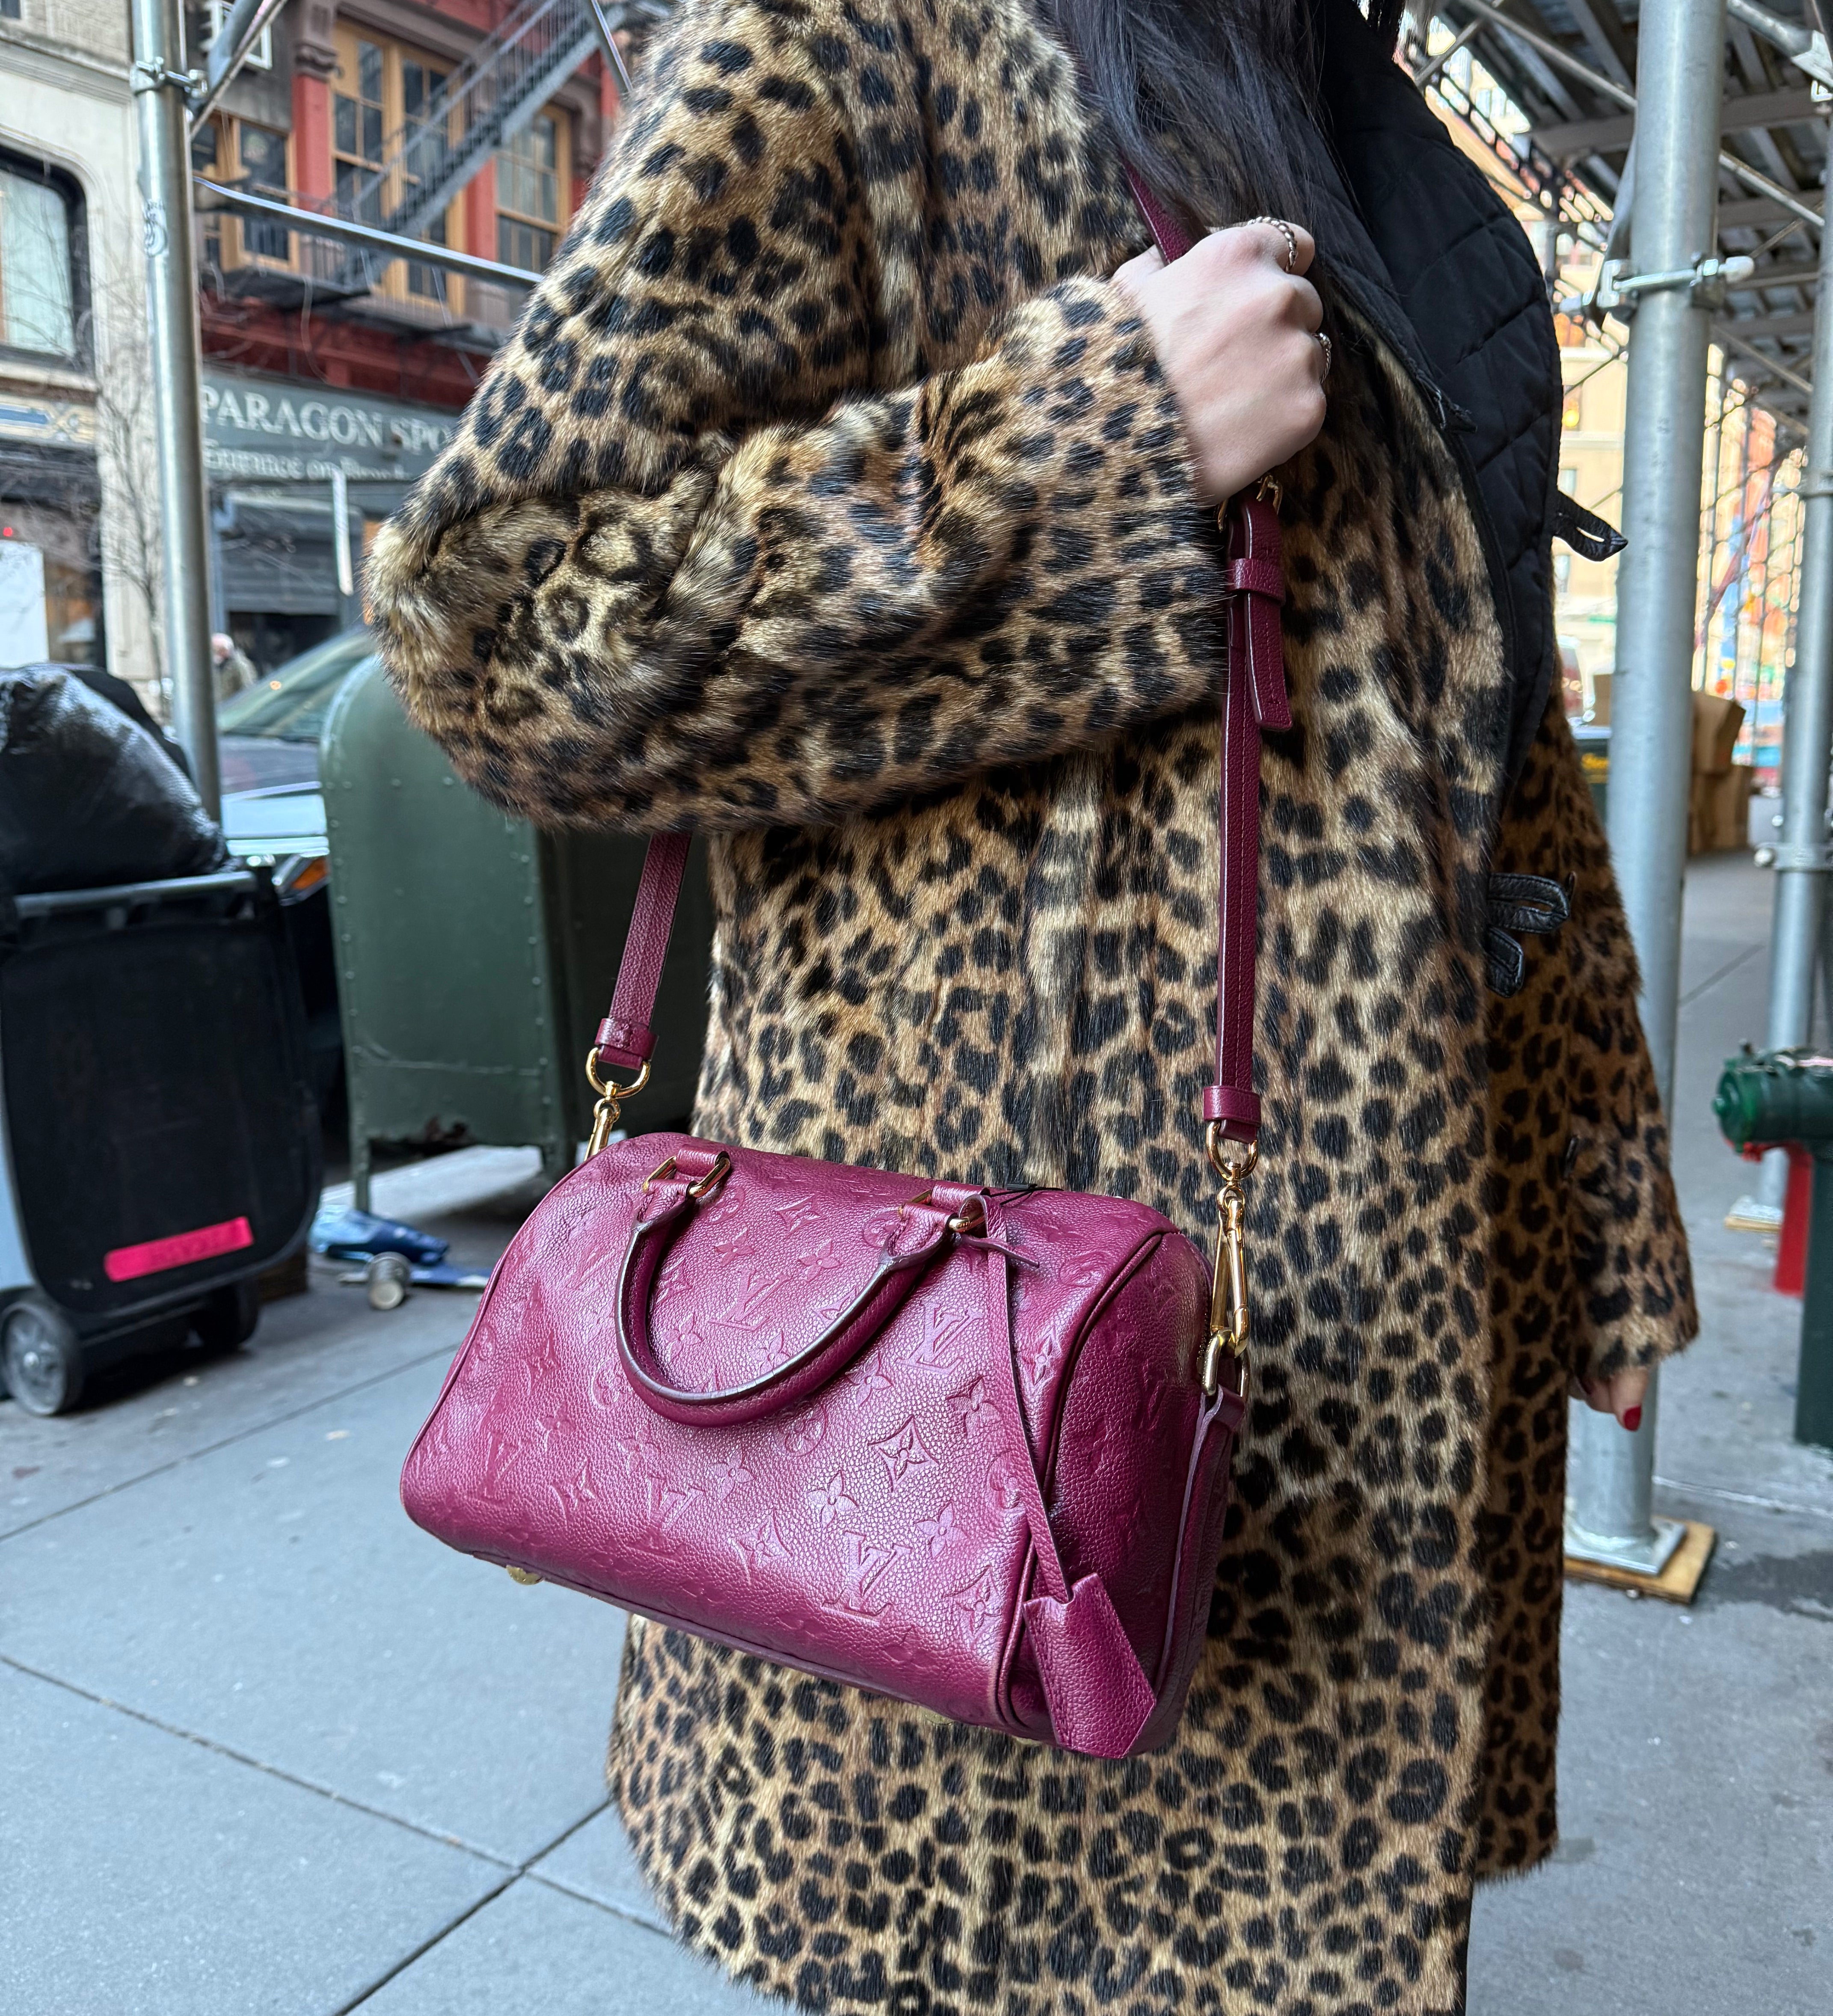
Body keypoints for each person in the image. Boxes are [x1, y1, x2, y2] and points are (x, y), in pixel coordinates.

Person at [368, 0, 1696, 2006]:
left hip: (1379, 1357)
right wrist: (1085, 452)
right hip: (999, 1403)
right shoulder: (856, 45)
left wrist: (1598, 1218)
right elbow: (500, 620)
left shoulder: (1381, 127)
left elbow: (1500, 741)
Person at [211, 631, 255, 702]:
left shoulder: (240, 665)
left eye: (219, 650)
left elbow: (247, 688)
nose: (216, 653)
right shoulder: (214, 667)